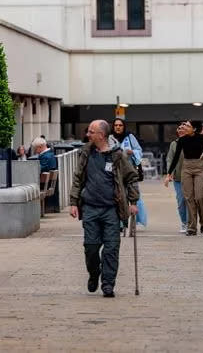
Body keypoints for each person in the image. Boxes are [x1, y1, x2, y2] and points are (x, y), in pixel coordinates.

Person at [69, 120, 139, 297]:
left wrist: (133, 202)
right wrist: (73, 202)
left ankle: (108, 284)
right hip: (90, 208)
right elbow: (78, 178)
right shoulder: (86, 152)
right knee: (91, 248)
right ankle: (94, 273)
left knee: (111, 249)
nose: (88, 134)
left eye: (91, 132)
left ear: (101, 135)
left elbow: (131, 177)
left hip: (111, 210)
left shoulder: (117, 155)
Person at [167, 120, 203, 235]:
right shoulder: (182, 140)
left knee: (200, 197)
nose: (184, 127)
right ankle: (192, 228)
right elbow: (176, 157)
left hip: (199, 168)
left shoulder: (202, 138)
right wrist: (169, 173)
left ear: (194, 129)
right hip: (186, 168)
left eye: (187, 126)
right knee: (189, 198)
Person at [164, 122, 188, 233]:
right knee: (181, 200)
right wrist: (169, 173)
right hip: (178, 178)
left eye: (183, 128)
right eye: (179, 128)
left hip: (190, 177)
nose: (181, 129)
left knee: (190, 201)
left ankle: (190, 223)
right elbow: (170, 159)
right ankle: (184, 223)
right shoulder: (174, 144)